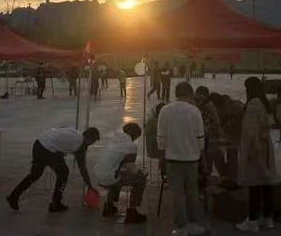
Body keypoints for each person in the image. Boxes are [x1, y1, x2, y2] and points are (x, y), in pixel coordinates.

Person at [7, 127, 100, 213]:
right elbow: (82, 167)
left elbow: (57, 139)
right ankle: (56, 203)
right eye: (91, 142)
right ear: (88, 138)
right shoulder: (79, 144)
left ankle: (13, 196)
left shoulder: (76, 135)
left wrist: (89, 185)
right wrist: (89, 185)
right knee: (63, 172)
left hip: (39, 143)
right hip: (45, 148)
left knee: (35, 174)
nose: (89, 146)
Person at [157, 81, 206, 236]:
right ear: (190, 94)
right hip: (192, 160)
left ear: (176, 94)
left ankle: (181, 227)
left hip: (172, 159)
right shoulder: (195, 111)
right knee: (192, 193)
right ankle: (194, 224)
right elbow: (200, 138)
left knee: (177, 194)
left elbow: (161, 138)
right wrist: (201, 156)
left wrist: (162, 158)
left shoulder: (165, 110)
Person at [236, 77, 276, 232]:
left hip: (255, 148)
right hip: (266, 147)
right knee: (266, 184)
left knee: (254, 185)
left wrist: (252, 152)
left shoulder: (253, 106)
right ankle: (267, 217)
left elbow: (250, 133)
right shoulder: (264, 105)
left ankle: (252, 220)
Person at [94, 123, 147, 224]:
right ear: (135, 134)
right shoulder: (130, 145)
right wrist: (141, 172)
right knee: (140, 180)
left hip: (98, 174)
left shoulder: (114, 140)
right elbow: (131, 168)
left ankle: (109, 206)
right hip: (110, 177)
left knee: (119, 175)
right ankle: (132, 212)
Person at [194, 86, 224, 177]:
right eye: (196, 99)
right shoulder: (196, 108)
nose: (197, 102)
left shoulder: (209, 107)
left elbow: (216, 123)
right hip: (202, 142)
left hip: (207, 141)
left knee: (206, 167)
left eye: (199, 99)